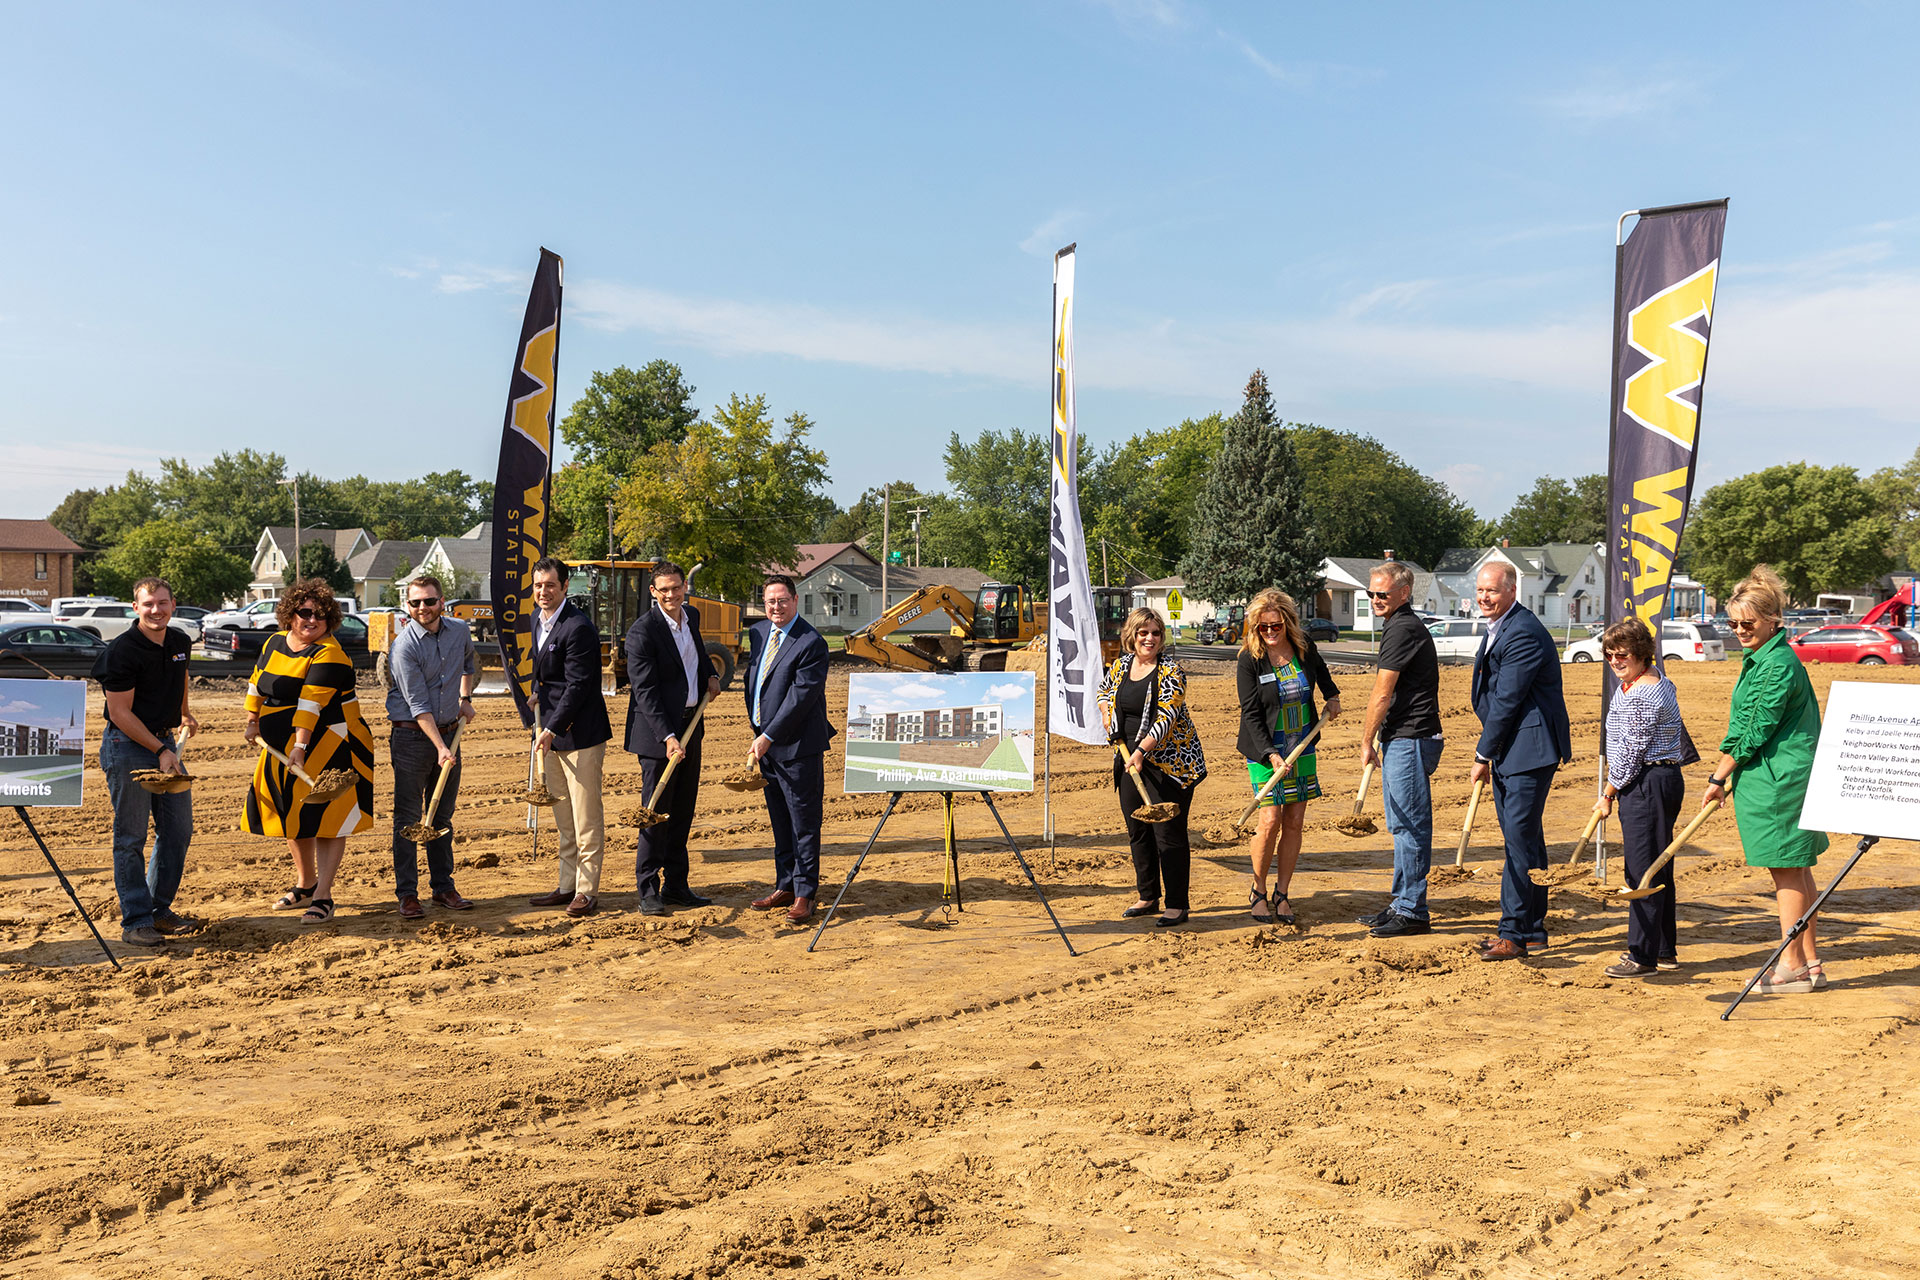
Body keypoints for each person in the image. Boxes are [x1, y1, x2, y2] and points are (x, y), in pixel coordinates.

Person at [1704, 565, 1829, 993]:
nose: (1739, 630)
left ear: (1773, 620)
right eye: (1733, 623)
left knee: (1786, 874)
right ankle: (1810, 962)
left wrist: (1718, 777)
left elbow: (1755, 727)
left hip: (1779, 780)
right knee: (1797, 870)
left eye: (1748, 623)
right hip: (1779, 775)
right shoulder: (1764, 657)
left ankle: (1789, 967)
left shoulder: (1775, 663)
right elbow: (1744, 721)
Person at [243, 579, 376, 925]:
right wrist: (252, 719)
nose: (312, 620)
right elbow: (257, 681)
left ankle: (324, 896)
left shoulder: (329, 653)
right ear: (290, 614)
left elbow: (309, 705)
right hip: (280, 747)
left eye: (321, 615)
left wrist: (299, 748)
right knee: (293, 816)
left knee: (328, 819)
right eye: (304, 612)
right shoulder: (274, 643)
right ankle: (306, 883)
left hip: (331, 742)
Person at [1468, 561, 1572, 961]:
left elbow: (1508, 699)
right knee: (1526, 840)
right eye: (1480, 590)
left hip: (1529, 750)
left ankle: (1512, 933)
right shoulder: (1504, 627)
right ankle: (1532, 929)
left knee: (1517, 842)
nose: (1484, 597)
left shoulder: (1523, 631)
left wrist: (1483, 753)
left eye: (1492, 590)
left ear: (1512, 590)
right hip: (1515, 749)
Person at [93, 576, 198, 948]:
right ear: (135, 608)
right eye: (148, 604)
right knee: (131, 837)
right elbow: (119, 712)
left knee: (178, 830)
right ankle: (136, 921)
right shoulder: (122, 651)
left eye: (163, 603)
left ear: (173, 605)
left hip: (163, 740)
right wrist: (160, 750)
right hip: (128, 746)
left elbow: (181, 675)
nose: (157, 610)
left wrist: (184, 713)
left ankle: (159, 910)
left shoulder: (180, 640)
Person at [1235, 588, 1340, 924]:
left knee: (1294, 822)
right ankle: (1258, 890)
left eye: (1275, 626)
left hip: (1303, 745)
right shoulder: (1249, 659)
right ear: (1254, 627)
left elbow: (1322, 673)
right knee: (1269, 821)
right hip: (1265, 749)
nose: (1269, 632)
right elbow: (1251, 714)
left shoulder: (1303, 647)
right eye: (1262, 627)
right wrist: (1270, 754)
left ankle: (1283, 893)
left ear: (1287, 623)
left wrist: (1332, 697)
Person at [622, 559, 721, 916]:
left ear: (684, 587)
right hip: (657, 735)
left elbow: (695, 655)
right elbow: (645, 692)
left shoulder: (689, 616)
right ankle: (648, 889)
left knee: (683, 809)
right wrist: (667, 736)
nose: (671, 595)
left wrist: (711, 674)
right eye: (663, 589)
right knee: (655, 812)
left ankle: (677, 885)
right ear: (653, 592)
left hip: (691, 727)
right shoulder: (642, 632)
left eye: (676, 588)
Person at [1098, 607, 1208, 926]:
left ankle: (1176, 903)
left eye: (1155, 633)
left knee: (1168, 834)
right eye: (1143, 632)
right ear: (1132, 635)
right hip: (1128, 760)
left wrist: (1142, 750)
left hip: (1169, 764)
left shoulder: (1171, 671)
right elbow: (1104, 692)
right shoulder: (1121, 665)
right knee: (1138, 832)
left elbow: (1166, 718)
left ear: (1162, 638)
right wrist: (1108, 716)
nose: (1149, 638)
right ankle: (1148, 895)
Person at [1596, 619, 1689, 979]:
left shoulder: (1642, 694)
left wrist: (1608, 792)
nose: (1615, 661)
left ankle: (1642, 956)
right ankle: (1663, 950)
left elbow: (1630, 752)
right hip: (1656, 779)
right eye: (1609, 654)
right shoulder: (1647, 681)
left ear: (1641, 654)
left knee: (1643, 870)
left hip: (1647, 782)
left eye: (1623, 655)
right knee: (1658, 865)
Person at [1356, 562, 1443, 938]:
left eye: (1382, 594)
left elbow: (1382, 691)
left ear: (1404, 594)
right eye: (1371, 593)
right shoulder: (1398, 624)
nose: (1375, 600)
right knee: (1399, 826)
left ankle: (1413, 911)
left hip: (1411, 738)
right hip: (1401, 737)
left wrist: (1366, 738)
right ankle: (1402, 902)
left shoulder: (1402, 628)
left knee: (1410, 826)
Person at [522, 557, 613, 917]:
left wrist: (551, 728)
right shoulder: (537, 620)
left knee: (586, 817)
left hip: (581, 736)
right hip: (553, 731)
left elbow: (578, 686)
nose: (543, 592)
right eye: (538, 585)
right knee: (563, 816)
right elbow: (550, 676)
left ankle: (587, 892)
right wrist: (537, 695)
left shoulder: (579, 628)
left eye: (550, 585)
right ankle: (566, 885)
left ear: (564, 588)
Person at [385, 573, 479, 920]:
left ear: (442, 601)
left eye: (429, 600)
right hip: (412, 737)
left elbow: (470, 664)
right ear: (407, 607)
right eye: (415, 602)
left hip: (449, 733)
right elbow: (417, 703)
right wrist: (441, 747)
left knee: (441, 816)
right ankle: (408, 894)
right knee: (408, 819)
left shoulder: (459, 631)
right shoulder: (404, 645)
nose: (422, 608)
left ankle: (443, 888)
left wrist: (464, 698)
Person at [743, 575, 834, 924]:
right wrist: (758, 731)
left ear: (796, 601)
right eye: (770, 602)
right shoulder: (760, 634)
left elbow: (800, 700)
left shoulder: (811, 642)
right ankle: (785, 884)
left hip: (797, 747)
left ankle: (805, 894)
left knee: (803, 824)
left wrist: (768, 736)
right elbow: (759, 683)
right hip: (766, 746)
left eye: (782, 601)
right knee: (780, 820)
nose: (776, 608)